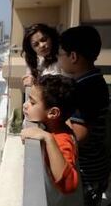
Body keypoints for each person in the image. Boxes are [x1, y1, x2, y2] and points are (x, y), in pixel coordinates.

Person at [58, 25, 110, 206]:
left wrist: (55, 118)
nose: (59, 59)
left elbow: (79, 135)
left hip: (87, 173)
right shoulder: (94, 81)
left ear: (73, 57)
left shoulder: (84, 89)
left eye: (61, 54)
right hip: (97, 168)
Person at [21, 74, 79, 195]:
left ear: (53, 113)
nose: (25, 105)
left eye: (32, 102)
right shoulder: (58, 125)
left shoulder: (62, 140)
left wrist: (48, 138)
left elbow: (69, 185)